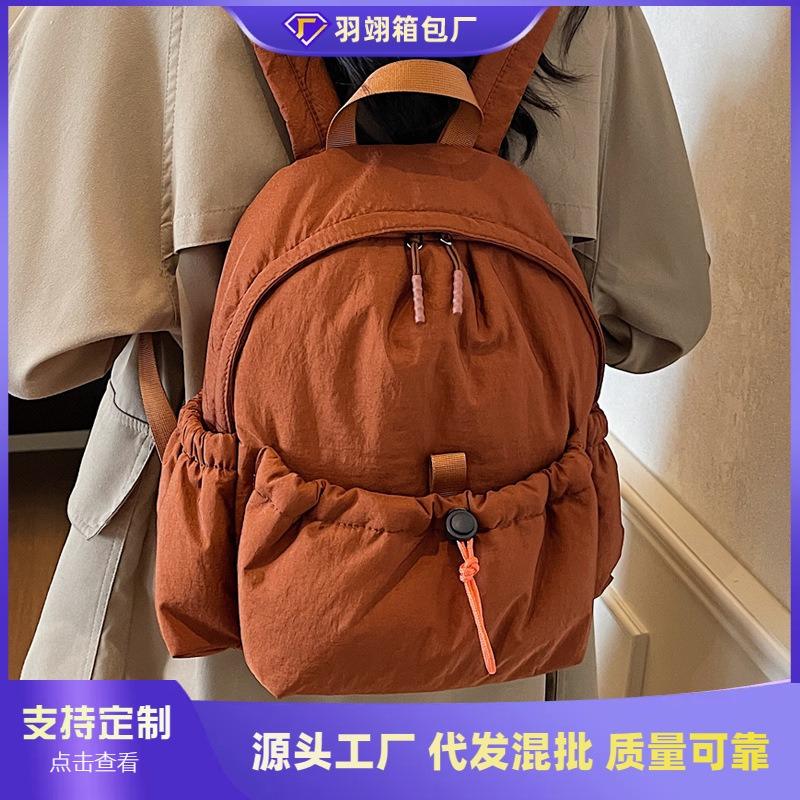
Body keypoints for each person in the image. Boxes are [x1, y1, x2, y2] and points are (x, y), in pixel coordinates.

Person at [9, 6, 710, 701]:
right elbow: (659, 319)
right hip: (497, 587)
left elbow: (37, 344)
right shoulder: (586, 15)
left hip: (221, 576)